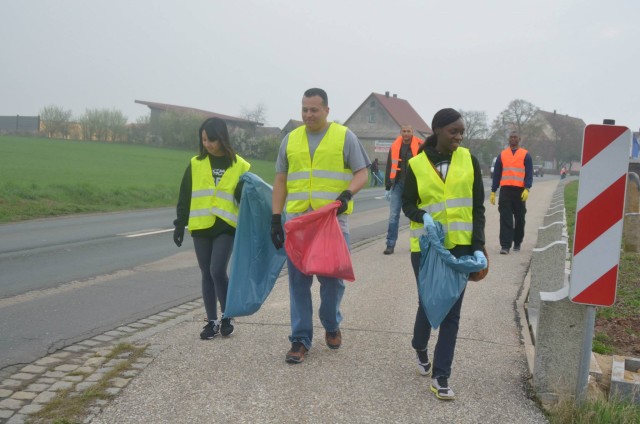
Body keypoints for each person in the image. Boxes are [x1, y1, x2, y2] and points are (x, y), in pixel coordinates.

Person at [271, 88, 370, 364]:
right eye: (304, 109)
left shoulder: (344, 136)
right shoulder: (290, 140)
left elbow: (363, 172)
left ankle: (331, 321)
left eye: (314, 109)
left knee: (332, 281)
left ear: (327, 110)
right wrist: (275, 218)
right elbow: (281, 180)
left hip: (332, 221)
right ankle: (300, 339)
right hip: (298, 222)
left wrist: (347, 194)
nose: (308, 115)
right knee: (298, 282)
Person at [402, 108, 486, 400]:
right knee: (428, 302)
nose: (459, 137)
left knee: (451, 311)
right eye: (454, 131)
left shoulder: (470, 160)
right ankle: (419, 345)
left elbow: (477, 208)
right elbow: (407, 205)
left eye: (462, 132)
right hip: (426, 249)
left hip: (461, 248)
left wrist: (478, 245)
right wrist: (422, 215)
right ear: (438, 130)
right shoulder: (415, 165)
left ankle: (441, 376)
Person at [173, 117, 251, 340]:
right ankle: (212, 321)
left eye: (212, 140)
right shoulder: (196, 163)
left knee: (217, 270)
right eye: (204, 139)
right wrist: (180, 224)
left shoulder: (241, 166)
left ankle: (227, 315)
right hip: (201, 224)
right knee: (206, 272)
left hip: (226, 225)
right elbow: (185, 195)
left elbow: (247, 197)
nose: (207, 144)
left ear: (222, 138)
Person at [489, 130, 533, 254]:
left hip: (519, 191)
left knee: (520, 218)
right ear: (508, 139)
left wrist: (527, 188)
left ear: (519, 139)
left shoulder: (526, 155)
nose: (513, 139)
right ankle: (505, 246)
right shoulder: (502, 155)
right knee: (505, 219)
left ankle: (517, 242)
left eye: (515, 137)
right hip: (506, 191)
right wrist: (493, 191)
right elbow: (497, 174)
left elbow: (529, 173)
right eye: (511, 137)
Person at [383, 125, 423, 255]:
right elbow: (390, 165)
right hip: (398, 184)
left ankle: (416, 244)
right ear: (401, 132)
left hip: (414, 185)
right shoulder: (395, 146)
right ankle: (390, 244)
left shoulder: (420, 146)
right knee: (393, 215)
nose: (406, 134)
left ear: (412, 132)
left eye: (409, 131)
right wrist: (388, 186)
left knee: (414, 215)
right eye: (404, 131)